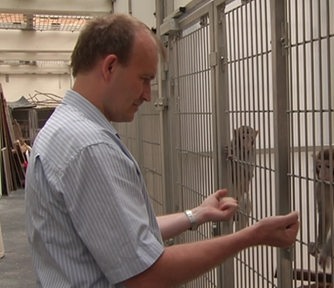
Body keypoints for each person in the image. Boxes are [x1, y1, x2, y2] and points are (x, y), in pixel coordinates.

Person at [24, 13, 299, 288]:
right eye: (144, 79)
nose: (148, 95)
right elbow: (146, 275)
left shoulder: (61, 128)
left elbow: (122, 235)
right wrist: (250, 237)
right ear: (109, 67)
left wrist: (196, 215)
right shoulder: (89, 147)